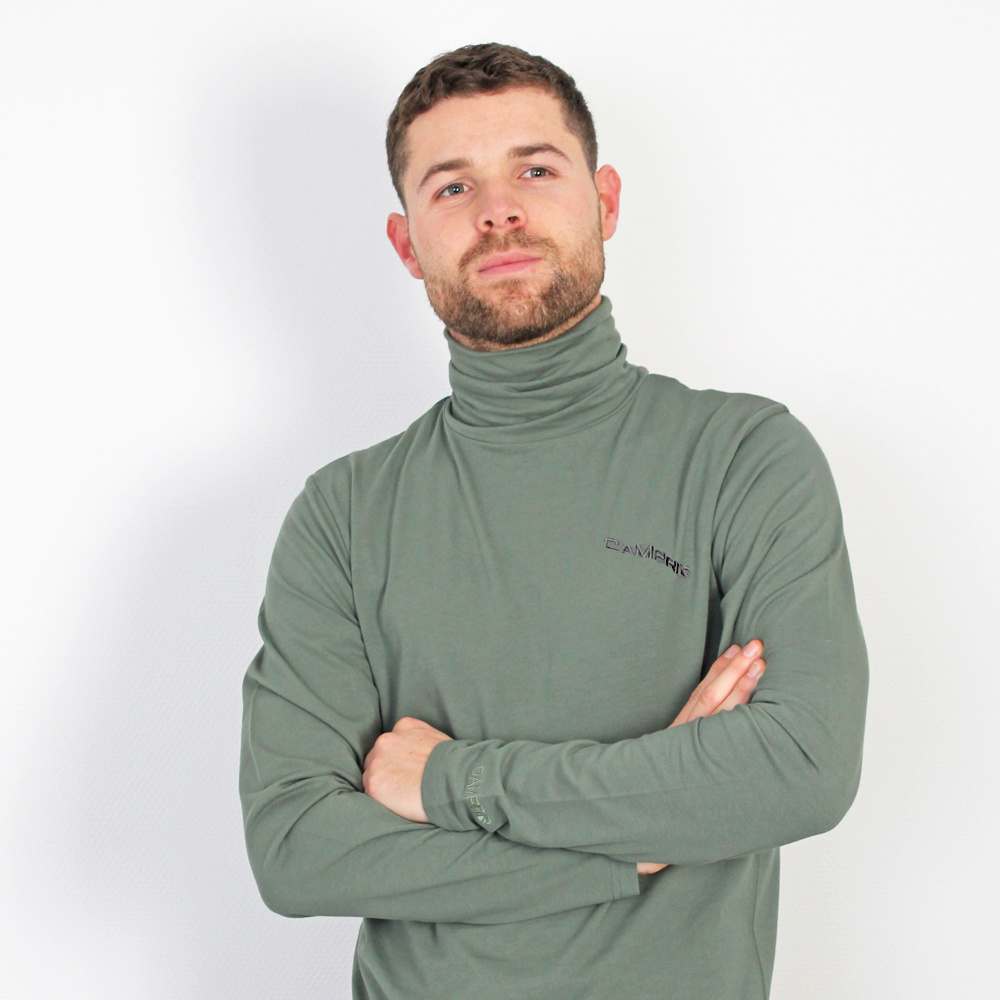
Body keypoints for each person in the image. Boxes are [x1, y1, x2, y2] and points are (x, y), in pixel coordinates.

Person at [239, 42, 868, 1000]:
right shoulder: (344, 513)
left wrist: (452, 782)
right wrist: (630, 848)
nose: (499, 210)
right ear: (407, 245)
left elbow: (802, 765)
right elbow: (296, 850)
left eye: (535, 170)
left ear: (604, 202)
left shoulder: (743, 456)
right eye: (453, 187)